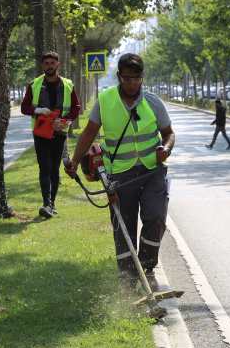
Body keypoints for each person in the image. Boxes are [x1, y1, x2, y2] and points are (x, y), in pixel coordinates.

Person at [65, 53, 175, 285]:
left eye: (136, 79)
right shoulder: (105, 101)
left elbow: (169, 133)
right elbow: (89, 134)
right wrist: (75, 161)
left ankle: (147, 268)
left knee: (156, 218)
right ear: (119, 77)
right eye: (127, 79)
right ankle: (127, 278)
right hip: (120, 176)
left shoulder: (153, 102)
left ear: (142, 77)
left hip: (152, 172)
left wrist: (165, 148)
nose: (132, 83)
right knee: (123, 226)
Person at [21, 50, 81, 218]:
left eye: (52, 63)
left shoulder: (68, 84)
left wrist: (65, 121)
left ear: (58, 65)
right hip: (41, 133)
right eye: (46, 63)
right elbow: (24, 108)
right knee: (44, 167)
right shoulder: (34, 84)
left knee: (54, 169)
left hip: (60, 132)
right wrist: (38, 110)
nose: (49, 66)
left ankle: (52, 203)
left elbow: (76, 107)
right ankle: (46, 203)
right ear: (42, 66)